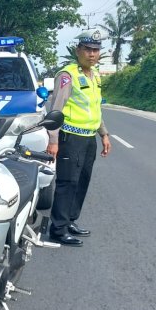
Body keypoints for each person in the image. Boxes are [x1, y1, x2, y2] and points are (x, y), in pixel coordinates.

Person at [46, 29, 112, 246]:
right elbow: (56, 109)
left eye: (95, 50)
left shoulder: (95, 77)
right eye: (87, 49)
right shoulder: (67, 76)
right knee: (67, 182)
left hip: (88, 139)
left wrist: (104, 134)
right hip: (70, 138)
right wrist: (53, 140)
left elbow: (95, 109)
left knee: (82, 181)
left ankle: (70, 220)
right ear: (78, 51)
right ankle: (58, 229)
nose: (92, 54)